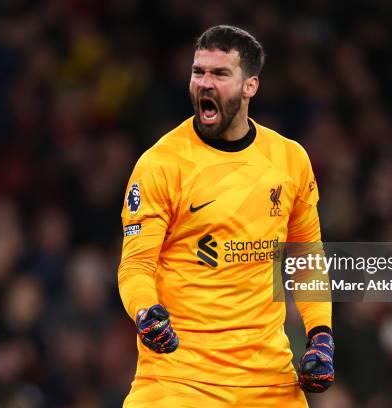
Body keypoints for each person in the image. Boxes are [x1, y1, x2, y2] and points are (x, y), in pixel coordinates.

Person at [118, 25, 334, 407]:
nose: (205, 83)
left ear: (250, 86)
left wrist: (320, 334)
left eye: (219, 74)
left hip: (269, 383)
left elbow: (306, 256)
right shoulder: (161, 164)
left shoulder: (289, 160)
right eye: (198, 71)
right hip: (179, 380)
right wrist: (145, 312)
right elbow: (136, 265)